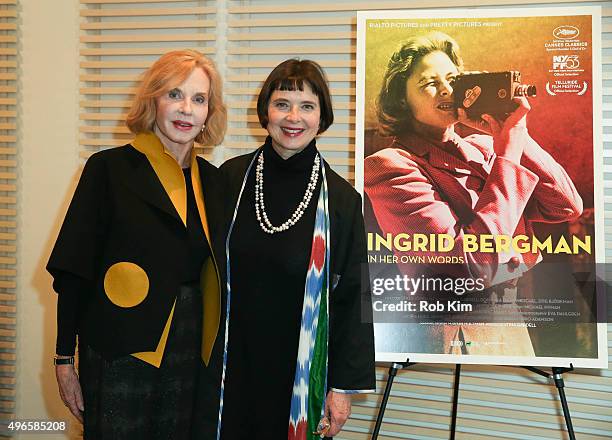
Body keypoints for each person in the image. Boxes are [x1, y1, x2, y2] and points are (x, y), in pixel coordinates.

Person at [364, 32, 583, 356]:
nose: (446, 89)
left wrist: (515, 134)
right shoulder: (389, 165)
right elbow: (472, 264)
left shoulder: (483, 147)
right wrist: (507, 155)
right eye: (429, 82)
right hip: (453, 331)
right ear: (401, 99)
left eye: (452, 79)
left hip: (511, 327)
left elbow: (565, 206)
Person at [46, 49, 227, 438]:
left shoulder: (214, 183)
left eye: (199, 99)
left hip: (189, 355)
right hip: (118, 352)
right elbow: (73, 271)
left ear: (209, 112)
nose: (186, 110)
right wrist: (64, 359)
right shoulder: (108, 169)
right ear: (153, 100)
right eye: (174, 95)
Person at [217, 59, 375, 439]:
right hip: (227, 368)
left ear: (322, 118)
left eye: (307, 106)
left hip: (298, 375)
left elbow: (353, 298)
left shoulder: (341, 200)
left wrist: (341, 389)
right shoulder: (228, 180)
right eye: (282, 103)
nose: (293, 117)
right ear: (265, 111)